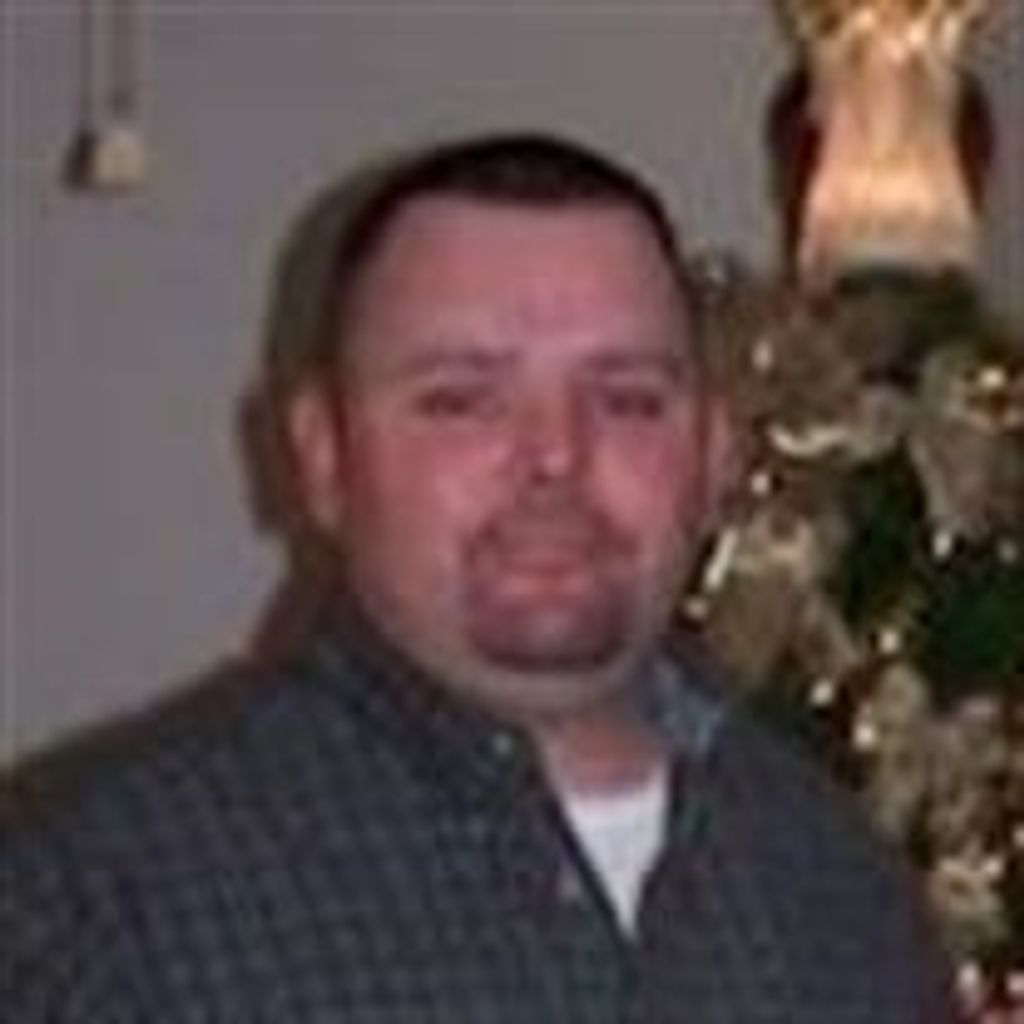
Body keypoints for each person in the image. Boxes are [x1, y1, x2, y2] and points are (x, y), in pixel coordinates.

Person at [2, 133, 956, 1021]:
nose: (555, 458)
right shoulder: (92, 906)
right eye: (460, 400)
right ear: (323, 456)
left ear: (713, 456)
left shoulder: (840, 890)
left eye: (626, 399)